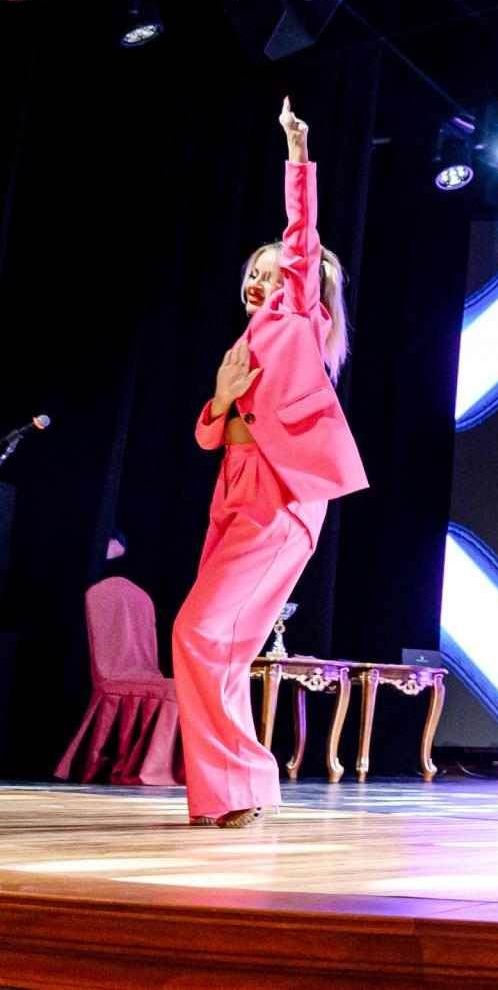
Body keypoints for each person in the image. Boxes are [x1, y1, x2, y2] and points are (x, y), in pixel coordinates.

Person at [173, 98, 368, 828]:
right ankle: (238, 790)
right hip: (234, 491)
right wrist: (221, 399)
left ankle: (241, 783)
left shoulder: (299, 322)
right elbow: (209, 437)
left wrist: (297, 150)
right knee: (221, 648)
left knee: (197, 633)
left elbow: (301, 235)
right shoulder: (245, 341)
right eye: (251, 275)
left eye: (272, 272)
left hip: (281, 501)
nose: (258, 283)